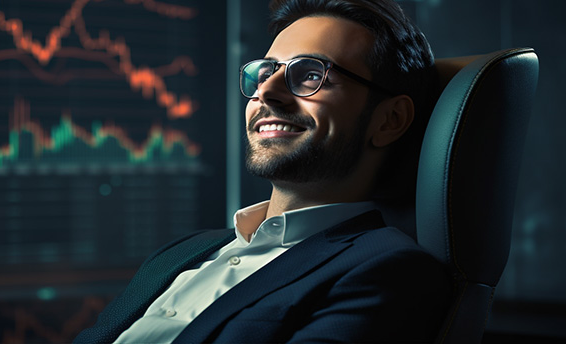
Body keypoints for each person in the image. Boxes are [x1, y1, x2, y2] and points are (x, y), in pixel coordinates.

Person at [75, 0, 450, 342]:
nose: (265, 92)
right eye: (265, 72)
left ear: (390, 120)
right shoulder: (181, 252)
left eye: (309, 75)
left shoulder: (388, 270)